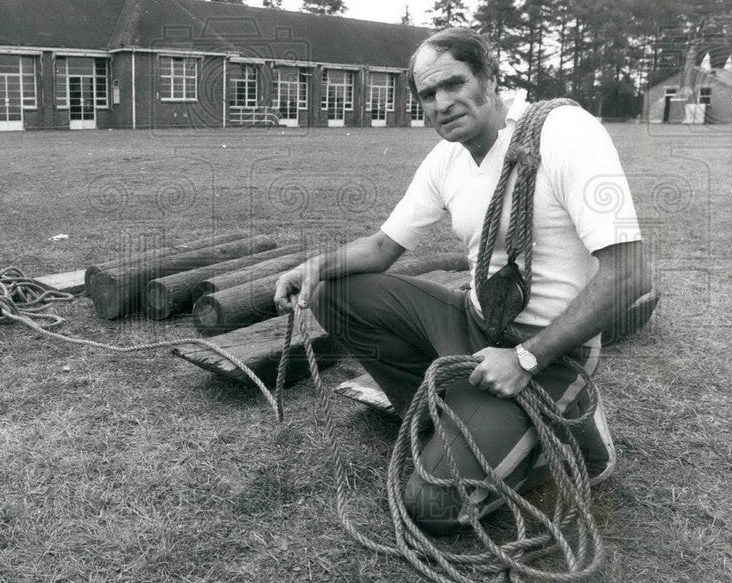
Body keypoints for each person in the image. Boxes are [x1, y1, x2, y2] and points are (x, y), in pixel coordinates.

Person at [273, 27, 650, 533]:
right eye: (428, 94)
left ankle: (565, 443)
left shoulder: (564, 132)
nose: (442, 103)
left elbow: (629, 272)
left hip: (550, 354)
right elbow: (384, 248)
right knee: (337, 293)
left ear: (490, 79)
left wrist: (526, 358)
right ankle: (438, 418)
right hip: (474, 326)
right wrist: (313, 267)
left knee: (430, 505)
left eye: (453, 83)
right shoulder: (447, 157)